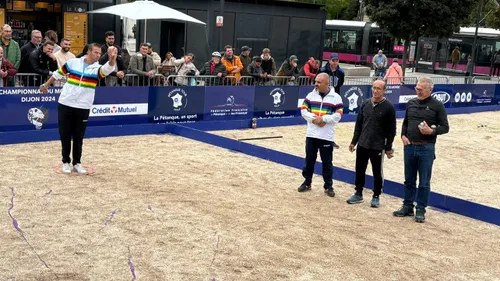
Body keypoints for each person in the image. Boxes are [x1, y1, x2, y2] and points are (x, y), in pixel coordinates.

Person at [39, 44, 118, 174]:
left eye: (100, 53)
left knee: (78, 136)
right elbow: (58, 74)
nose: (98, 55)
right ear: (88, 52)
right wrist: (46, 84)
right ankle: (65, 162)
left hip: (83, 106)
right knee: (64, 134)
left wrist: (112, 59)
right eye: (96, 52)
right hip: (66, 103)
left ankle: (77, 163)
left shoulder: (97, 69)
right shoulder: (73, 63)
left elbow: (108, 69)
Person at [393, 77, 449, 223]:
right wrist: (403, 135)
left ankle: (421, 209)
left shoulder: (437, 106)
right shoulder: (411, 103)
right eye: (416, 88)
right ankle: (407, 206)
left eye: (421, 89)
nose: (417, 91)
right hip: (409, 147)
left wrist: (431, 131)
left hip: (426, 148)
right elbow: (406, 122)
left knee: (424, 182)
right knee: (409, 180)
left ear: (430, 90)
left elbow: (445, 127)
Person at [346, 80, 396, 207]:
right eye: (374, 88)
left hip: (378, 146)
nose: (375, 91)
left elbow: (392, 130)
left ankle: (376, 195)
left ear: (384, 90)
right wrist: (354, 141)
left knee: (377, 172)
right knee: (360, 169)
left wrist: (388, 147)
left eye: (379, 88)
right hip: (363, 143)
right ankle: (358, 193)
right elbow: (359, 124)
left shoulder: (389, 107)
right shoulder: (365, 104)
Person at [298, 73, 344, 197]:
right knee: (309, 160)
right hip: (311, 134)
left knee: (327, 162)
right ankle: (307, 182)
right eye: (316, 81)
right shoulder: (310, 95)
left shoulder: (336, 97)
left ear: (326, 83)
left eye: (319, 82)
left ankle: (328, 186)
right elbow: (303, 110)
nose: (316, 84)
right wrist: (314, 119)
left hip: (326, 136)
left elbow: (338, 114)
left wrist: (324, 119)